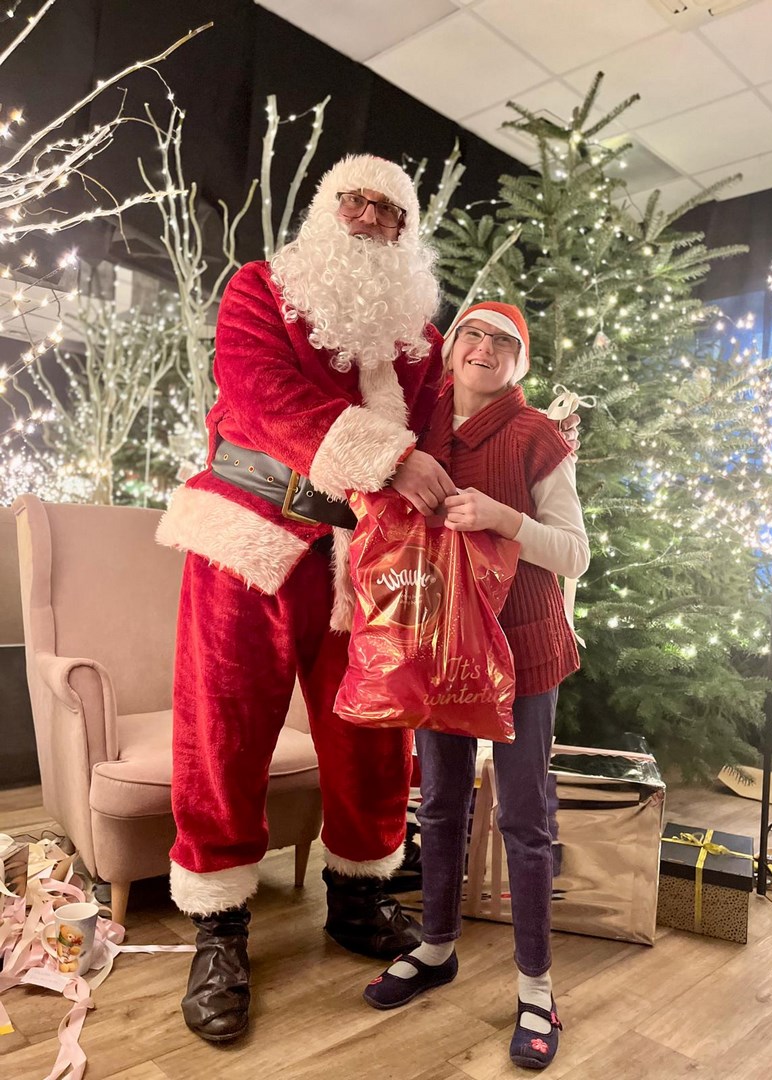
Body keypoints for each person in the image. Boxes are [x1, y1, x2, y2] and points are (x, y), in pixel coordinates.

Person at [157, 155, 581, 1043]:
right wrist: (389, 457)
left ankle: (356, 894)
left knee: (375, 731)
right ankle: (220, 925)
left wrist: (536, 433)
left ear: (406, 234)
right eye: (355, 201)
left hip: (368, 556)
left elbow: (460, 421)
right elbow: (261, 397)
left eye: (391, 213)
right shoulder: (260, 290)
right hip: (248, 532)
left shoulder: (420, 339)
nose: (370, 220)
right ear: (326, 207)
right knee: (224, 729)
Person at [362, 301, 590, 1072]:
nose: (484, 346)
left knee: (523, 818)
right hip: (440, 647)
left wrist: (504, 519)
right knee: (439, 803)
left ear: (520, 362)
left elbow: (576, 555)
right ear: (452, 346)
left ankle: (537, 988)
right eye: (473, 333)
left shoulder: (536, 436)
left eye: (503, 340)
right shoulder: (418, 425)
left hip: (522, 652)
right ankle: (436, 946)